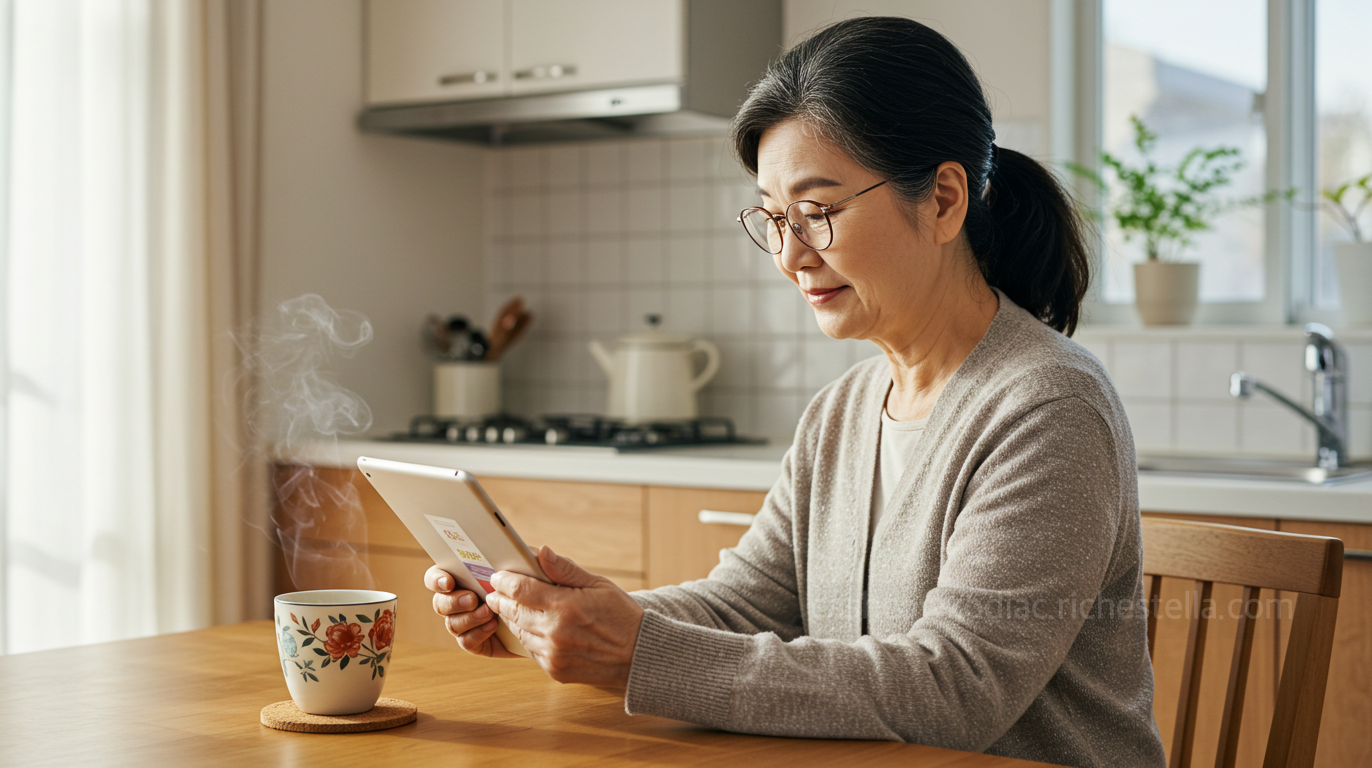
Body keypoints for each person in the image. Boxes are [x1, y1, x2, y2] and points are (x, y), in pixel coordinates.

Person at [424, 16, 1165, 768]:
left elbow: (956, 689)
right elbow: (746, 604)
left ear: (944, 200)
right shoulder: (843, 410)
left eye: (818, 212)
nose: (789, 256)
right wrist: (568, 623)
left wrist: (633, 652)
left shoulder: (1047, 405)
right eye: (775, 219)